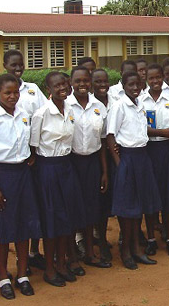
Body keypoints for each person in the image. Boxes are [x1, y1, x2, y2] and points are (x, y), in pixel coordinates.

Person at [0, 74, 42, 299]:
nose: (12, 96)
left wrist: (30, 155)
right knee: (3, 229)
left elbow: (30, 142)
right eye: (7, 93)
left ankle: (22, 275)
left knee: (24, 226)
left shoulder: (24, 115)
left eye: (15, 92)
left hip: (23, 174)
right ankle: (4, 276)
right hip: (1, 175)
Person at [30, 71, 87, 287]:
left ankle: (63, 263)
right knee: (52, 219)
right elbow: (33, 147)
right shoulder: (41, 114)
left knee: (67, 218)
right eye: (57, 85)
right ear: (48, 89)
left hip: (66, 167)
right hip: (48, 169)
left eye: (65, 83)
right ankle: (50, 268)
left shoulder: (70, 110)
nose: (62, 88)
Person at [106, 71, 162, 270]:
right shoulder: (119, 106)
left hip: (142, 157)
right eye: (131, 84)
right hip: (127, 158)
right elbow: (110, 136)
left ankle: (137, 249)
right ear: (123, 85)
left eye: (138, 84)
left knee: (140, 205)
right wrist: (119, 163)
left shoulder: (140, 105)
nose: (135, 87)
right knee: (127, 207)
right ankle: (126, 251)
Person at [66, 67, 111, 269]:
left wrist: (104, 171)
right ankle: (72, 252)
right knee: (74, 206)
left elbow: (102, 141)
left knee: (92, 206)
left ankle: (91, 252)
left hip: (92, 161)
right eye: (78, 81)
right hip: (71, 162)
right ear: (71, 82)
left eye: (85, 81)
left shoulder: (98, 107)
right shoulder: (65, 106)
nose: (82, 84)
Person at [141, 64, 169, 256]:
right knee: (150, 195)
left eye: (158, 77)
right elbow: (139, 130)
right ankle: (151, 238)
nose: (156, 81)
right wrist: (163, 132)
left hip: (168, 152)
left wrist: (157, 132)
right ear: (146, 80)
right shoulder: (140, 101)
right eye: (151, 78)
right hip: (148, 151)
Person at [90, 68, 114, 263]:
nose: (102, 85)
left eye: (105, 81)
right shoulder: (89, 105)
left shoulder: (115, 101)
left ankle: (106, 237)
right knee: (97, 200)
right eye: (97, 82)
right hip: (97, 155)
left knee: (110, 198)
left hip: (114, 154)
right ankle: (97, 240)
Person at [0, 50, 47, 119]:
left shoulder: (33, 88)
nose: (18, 68)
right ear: (5, 66)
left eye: (21, 65)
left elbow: (45, 110)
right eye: (14, 65)